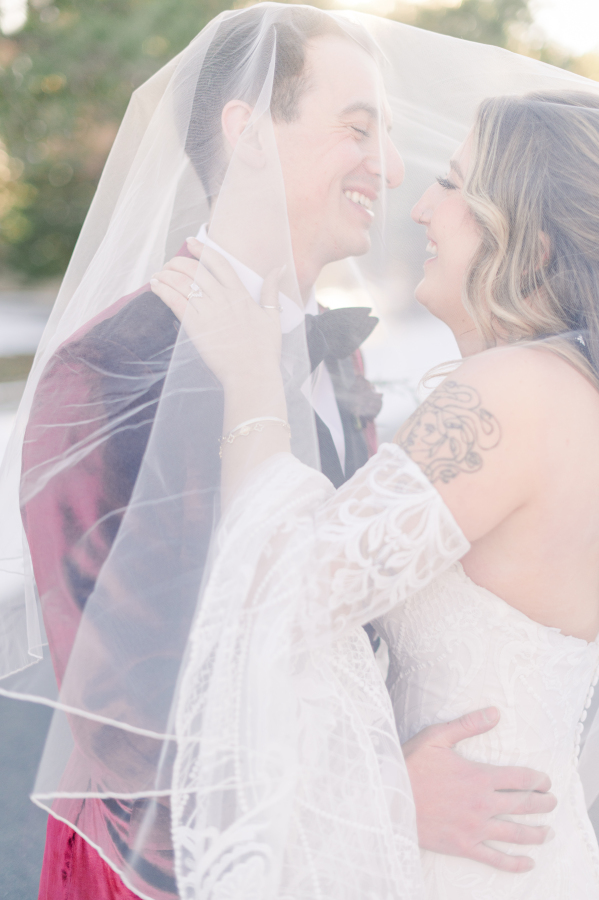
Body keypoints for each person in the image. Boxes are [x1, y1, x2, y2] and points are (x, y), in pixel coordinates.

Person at [0, 7, 590, 900]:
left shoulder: (348, 362)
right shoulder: (107, 371)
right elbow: (126, 722)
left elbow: (334, 619)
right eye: (358, 130)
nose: (393, 174)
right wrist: (387, 793)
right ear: (248, 133)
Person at [151, 89, 599, 898]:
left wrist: (254, 382)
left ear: (528, 247)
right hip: (529, 852)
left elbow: (277, 600)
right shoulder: (574, 395)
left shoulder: (512, 393)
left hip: (456, 863)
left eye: (456, 187)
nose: (422, 208)